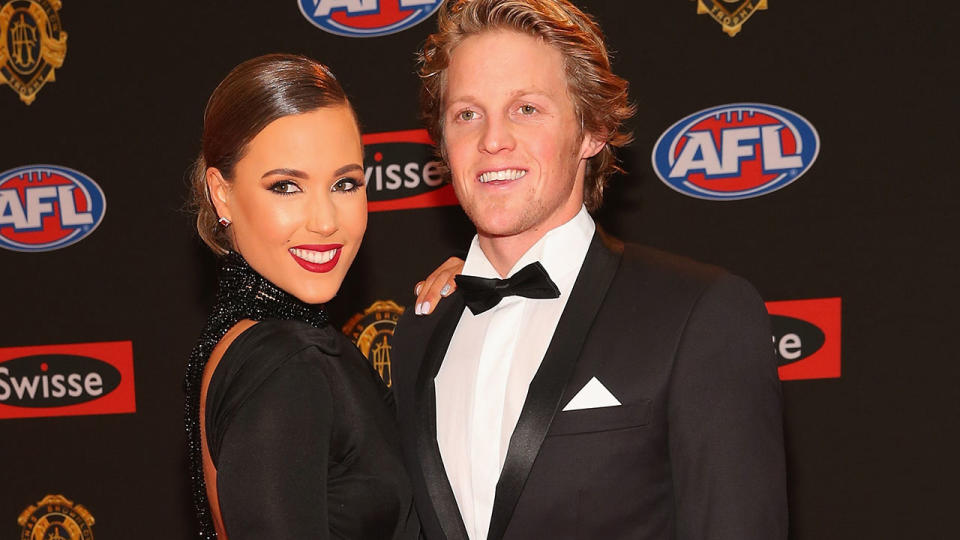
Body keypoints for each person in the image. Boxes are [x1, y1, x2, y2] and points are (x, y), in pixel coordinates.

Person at [392, 1, 789, 540]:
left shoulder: (697, 313)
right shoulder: (421, 327)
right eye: (467, 113)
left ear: (592, 130)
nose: (492, 140)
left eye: (526, 109)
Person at [183, 54, 448, 540]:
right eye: (286, 186)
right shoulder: (289, 361)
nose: (326, 221)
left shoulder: (245, 343)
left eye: (345, 184)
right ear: (222, 194)